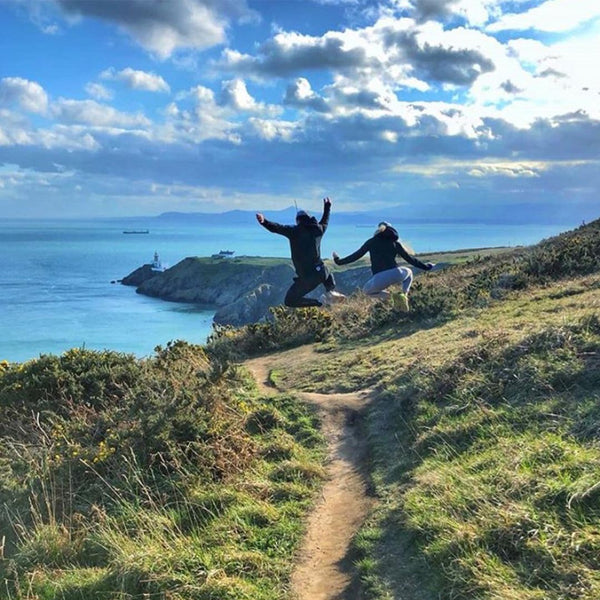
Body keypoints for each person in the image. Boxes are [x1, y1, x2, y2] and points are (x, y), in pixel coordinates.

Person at [256, 197, 345, 307]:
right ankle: (330, 291)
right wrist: (327, 206)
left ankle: (319, 303)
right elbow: (325, 220)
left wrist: (264, 221)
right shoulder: (319, 230)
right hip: (320, 273)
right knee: (325, 269)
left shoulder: (294, 231)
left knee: (289, 301)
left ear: (298, 220)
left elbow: (277, 228)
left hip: (306, 279)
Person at [332, 221, 434, 310]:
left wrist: (338, 261)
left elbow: (355, 256)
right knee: (409, 272)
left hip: (379, 278)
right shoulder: (395, 243)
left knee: (367, 291)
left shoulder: (371, 242)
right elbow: (410, 260)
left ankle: (392, 296)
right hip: (396, 273)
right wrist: (426, 267)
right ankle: (404, 295)